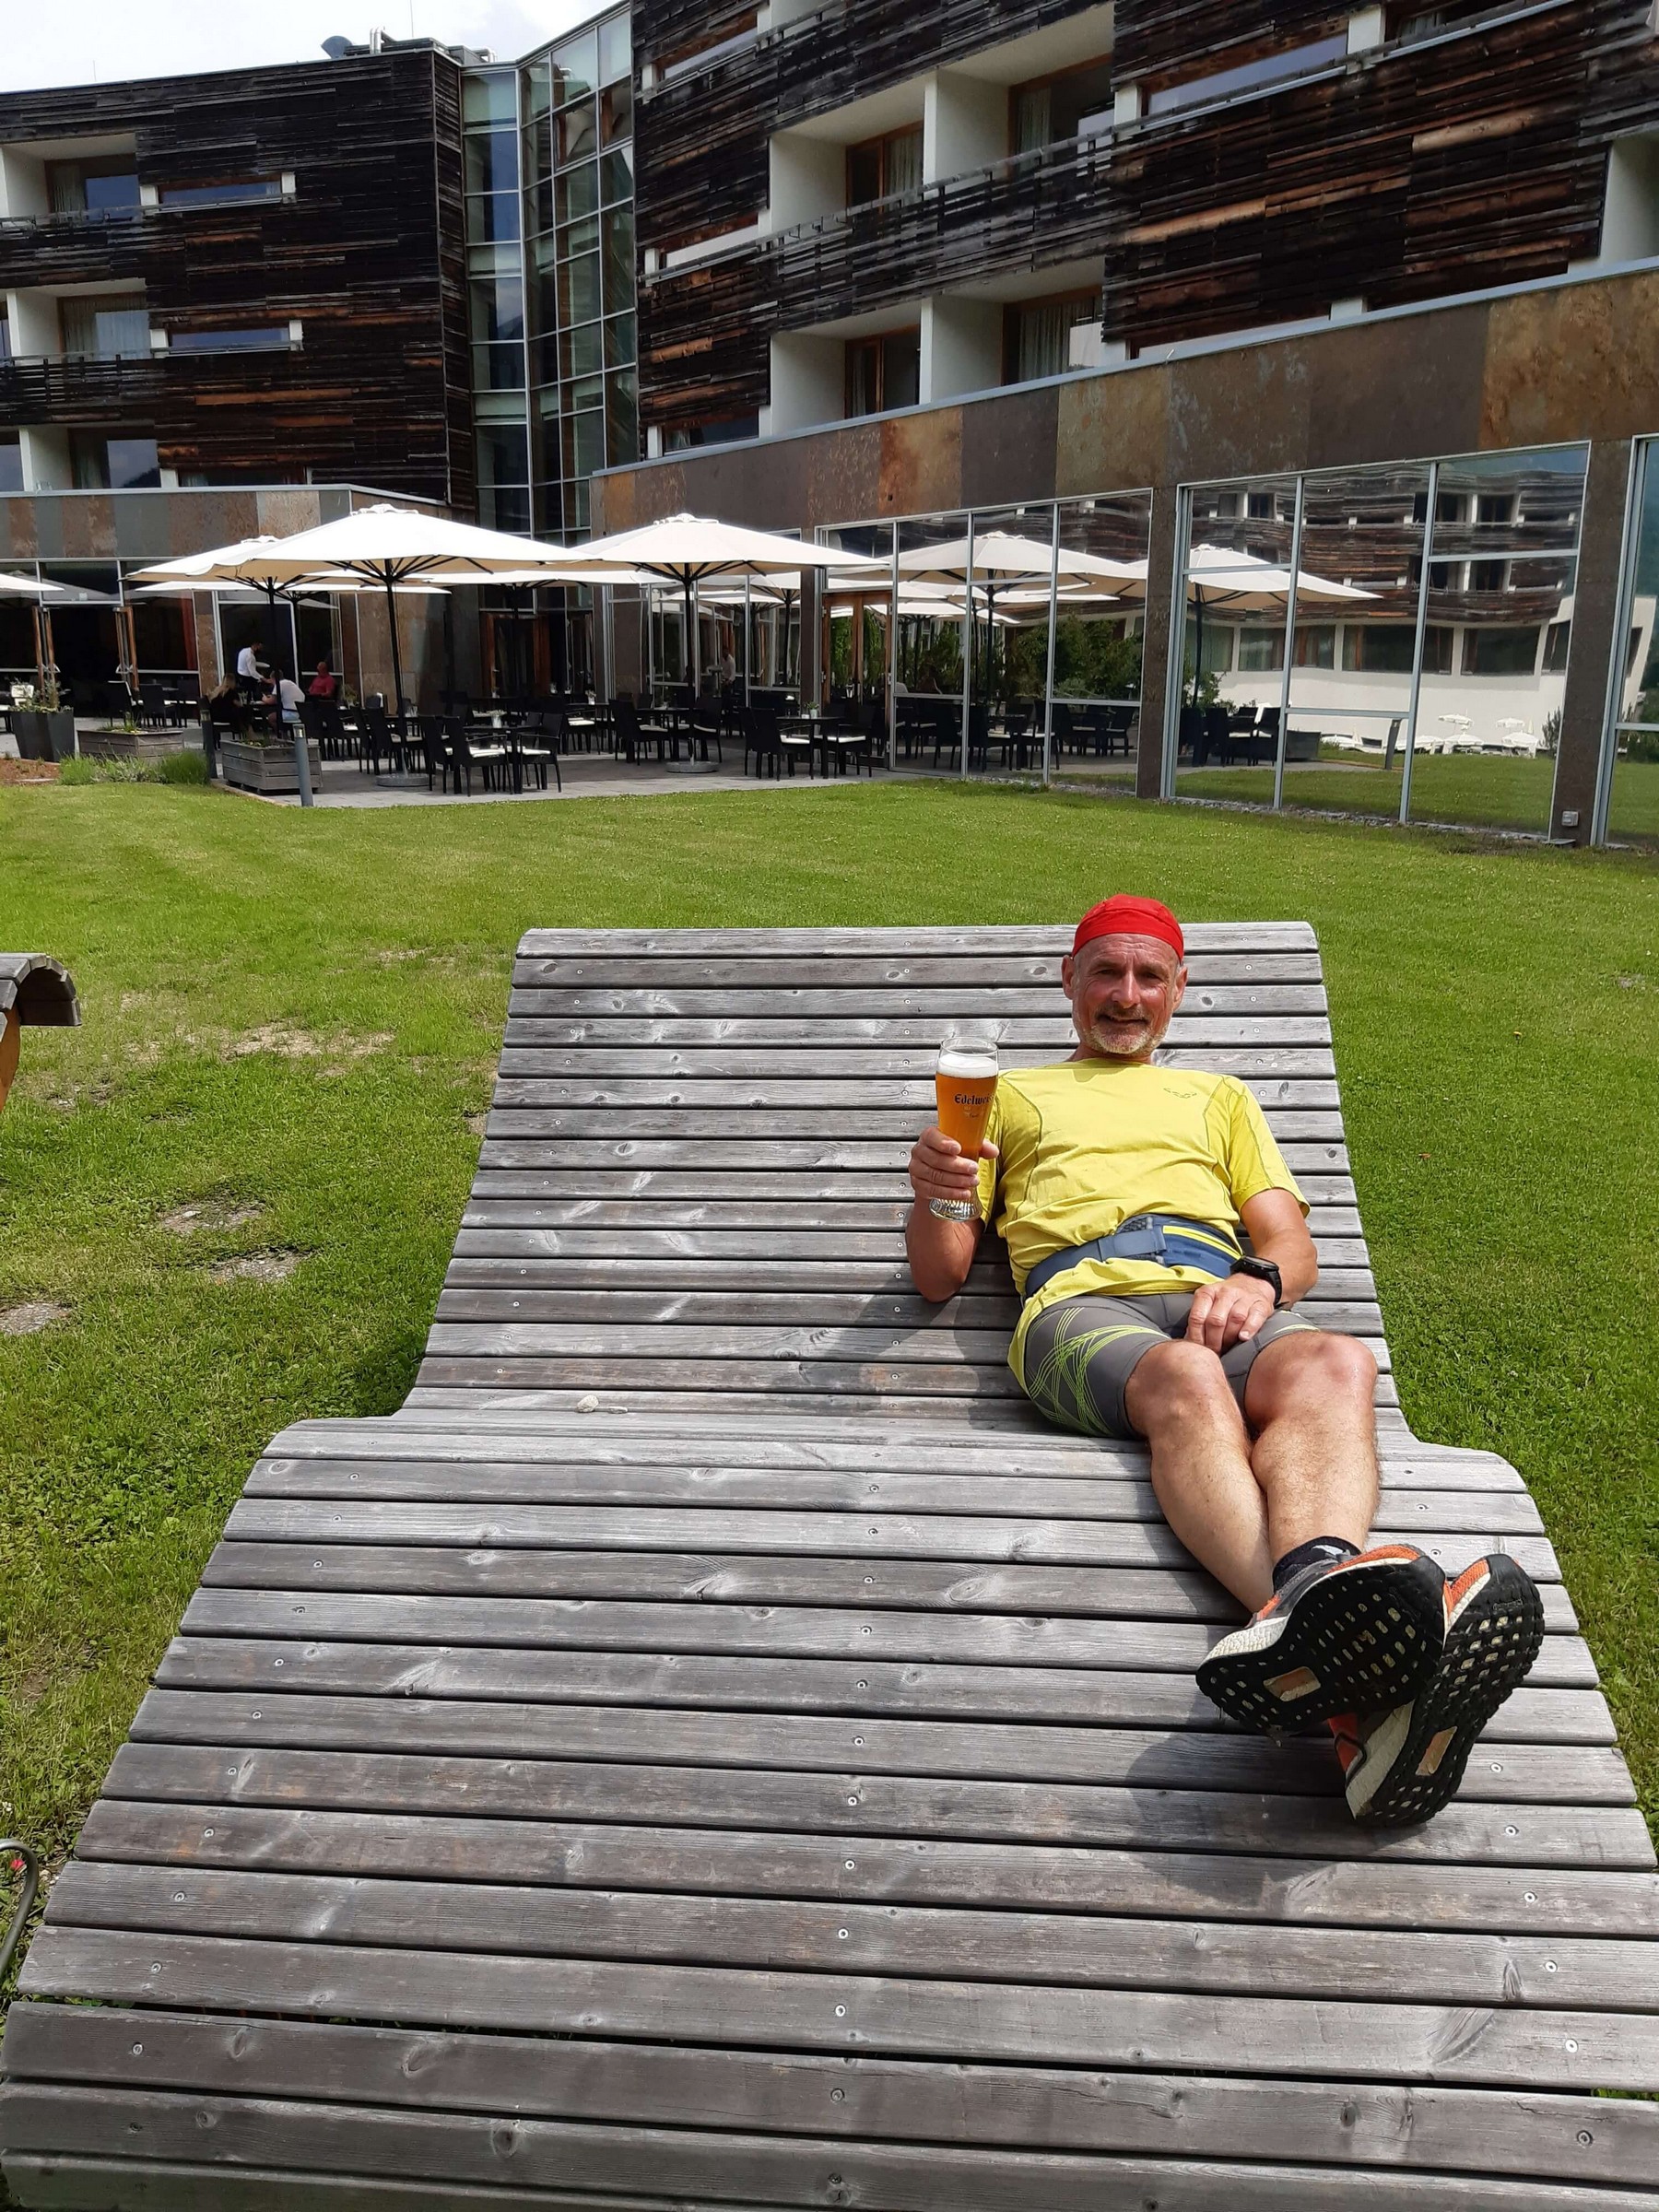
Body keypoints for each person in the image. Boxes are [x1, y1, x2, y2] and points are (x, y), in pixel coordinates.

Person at [906, 894, 1543, 1826]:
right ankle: (1344, 1642)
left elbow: (1291, 1244)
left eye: (1149, 976)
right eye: (1106, 973)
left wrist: (1258, 1280)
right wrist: (935, 1192)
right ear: (1069, 981)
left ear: (1179, 989)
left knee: (1338, 1363)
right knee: (1186, 1377)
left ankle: (1328, 1639)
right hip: (1080, 1308)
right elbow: (940, 1276)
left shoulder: (1219, 1097)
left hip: (1217, 1293)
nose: (1126, 996)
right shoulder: (1004, 1095)